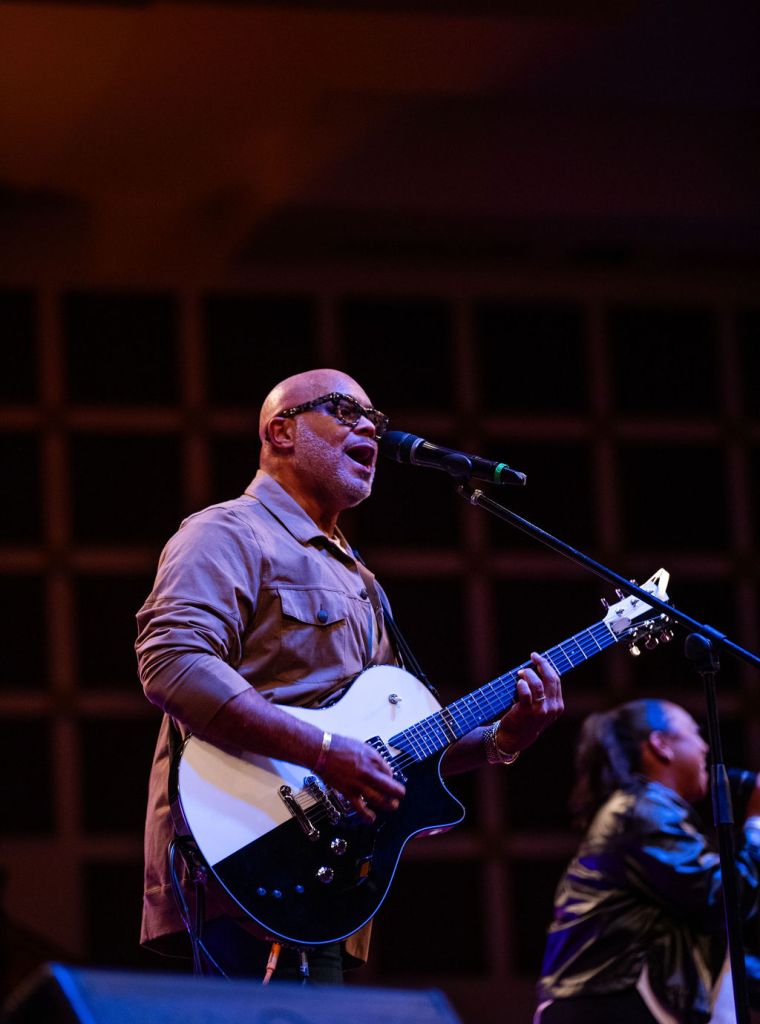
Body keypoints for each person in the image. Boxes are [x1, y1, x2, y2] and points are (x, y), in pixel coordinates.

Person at [135, 368, 564, 984]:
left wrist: (502, 740)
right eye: (344, 410)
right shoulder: (225, 531)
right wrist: (326, 751)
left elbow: (395, 747)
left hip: (329, 879)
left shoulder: (362, 580)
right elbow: (173, 663)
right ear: (280, 431)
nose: (370, 426)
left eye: (377, 420)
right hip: (241, 858)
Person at [535, 698, 760, 1024]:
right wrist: (756, 825)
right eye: (694, 734)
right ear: (661, 745)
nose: (705, 747)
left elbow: (710, 941)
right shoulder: (641, 811)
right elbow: (727, 897)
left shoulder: (648, 812)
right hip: (606, 1007)